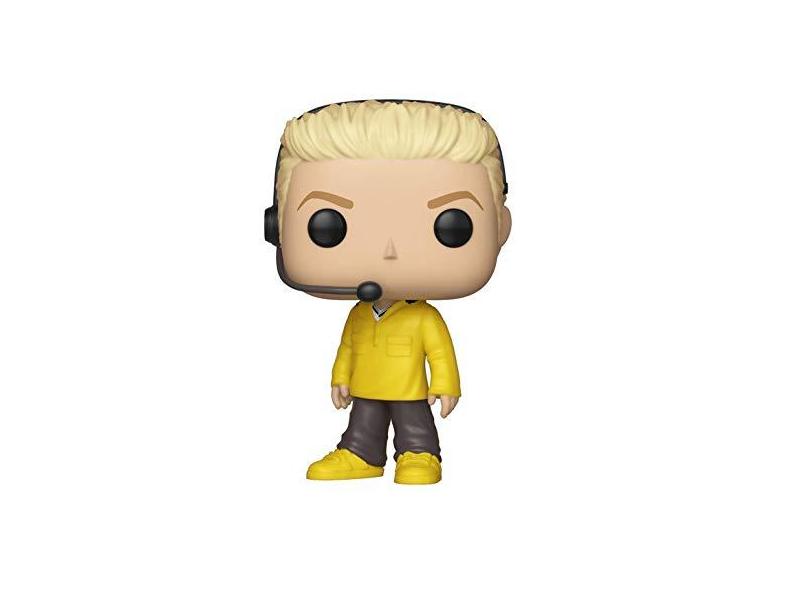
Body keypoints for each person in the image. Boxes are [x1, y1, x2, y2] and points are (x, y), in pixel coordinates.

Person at [266, 100, 511, 484]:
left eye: (452, 225)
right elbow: (348, 347)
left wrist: (446, 384)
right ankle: (360, 453)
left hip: (410, 389)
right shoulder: (359, 314)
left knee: (415, 425)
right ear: (277, 228)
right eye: (328, 225)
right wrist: (340, 377)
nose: (390, 251)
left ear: (501, 228)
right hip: (366, 384)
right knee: (363, 423)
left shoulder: (423, 317)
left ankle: (419, 454)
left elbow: (440, 353)